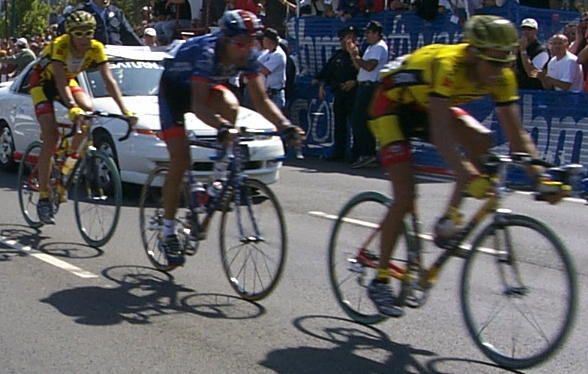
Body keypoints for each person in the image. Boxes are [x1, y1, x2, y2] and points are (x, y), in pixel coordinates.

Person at [366, 15, 568, 317]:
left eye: (506, 62)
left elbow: (517, 135)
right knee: (406, 196)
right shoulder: (449, 64)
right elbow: (440, 130)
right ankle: (381, 278)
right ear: (473, 54)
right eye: (494, 63)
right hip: (392, 107)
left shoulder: (501, 74)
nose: (500, 72)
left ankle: (449, 219)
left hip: (431, 103)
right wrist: (468, 175)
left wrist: (541, 178)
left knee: (482, 140)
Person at [157, 10, 304, 266]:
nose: (246, 49)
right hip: (174, 94)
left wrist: (285, 125)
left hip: (204, 88)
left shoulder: (247, 55)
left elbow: (261, 99)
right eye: (240, 43)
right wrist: (222, 127)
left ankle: (218, 176)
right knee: (180, 162)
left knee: (232, 105)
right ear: (225, 39)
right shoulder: (205, 52)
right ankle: (168, 230)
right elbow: (199, 105)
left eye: (251, 42)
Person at [31, 10, 135, 224]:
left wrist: (126, 110)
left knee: (89, 111)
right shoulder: (60, 45)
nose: (85, 38)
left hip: (67, 82)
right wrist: (71, 107)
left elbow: (109, 81)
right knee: (50, 139)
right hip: (43, 84)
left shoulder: (96, 48)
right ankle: (43, 198)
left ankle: (65, 164)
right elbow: (59, 81)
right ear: (70, 34)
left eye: (89, 33)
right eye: (79, 33)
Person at [347, 20, 388, 168]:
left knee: (360, 120)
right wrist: (354, 54)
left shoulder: (378, 47)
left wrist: (357, 57)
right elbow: (361, 68)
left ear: (376, 33)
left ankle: (368, 153)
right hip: (364, 85)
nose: (367, 35)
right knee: (359, 120)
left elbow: (370, 66)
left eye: (369, 32)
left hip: (370, 86)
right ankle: (364, 153)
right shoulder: (371, 47)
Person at [314, 25, 358, 161]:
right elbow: (328, 72)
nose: (350, 40)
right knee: (339, 125)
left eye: (352, 37)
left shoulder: (359, 54)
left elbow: (365, 71)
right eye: (347, 37)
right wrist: (321, 84)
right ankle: (339, 152)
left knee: (355, 125)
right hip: (339, 92)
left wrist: (354, 81)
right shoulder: (337, 55)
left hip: (354, 93)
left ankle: (356, 155)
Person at [76, 0, 143, 46]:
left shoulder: (116, 12)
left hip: (117, 57)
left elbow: (129, 33)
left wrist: (144, 48)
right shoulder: (81, 11)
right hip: (93, 56)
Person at [258, 27, 287, 110]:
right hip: (266, 94)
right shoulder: (266, 53)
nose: (262, 41)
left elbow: (265, 71)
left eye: (264, 39)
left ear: (269, 41)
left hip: (275, 95)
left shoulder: (278, 54)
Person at [516, 18, 549, 90]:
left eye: (529, 29)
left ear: (535, 31)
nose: (526, 32)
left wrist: (523, 51)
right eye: (523, 29)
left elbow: (532, 73)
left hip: (534, 90)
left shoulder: (541, 50)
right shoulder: (519, 45)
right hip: (519, 88)